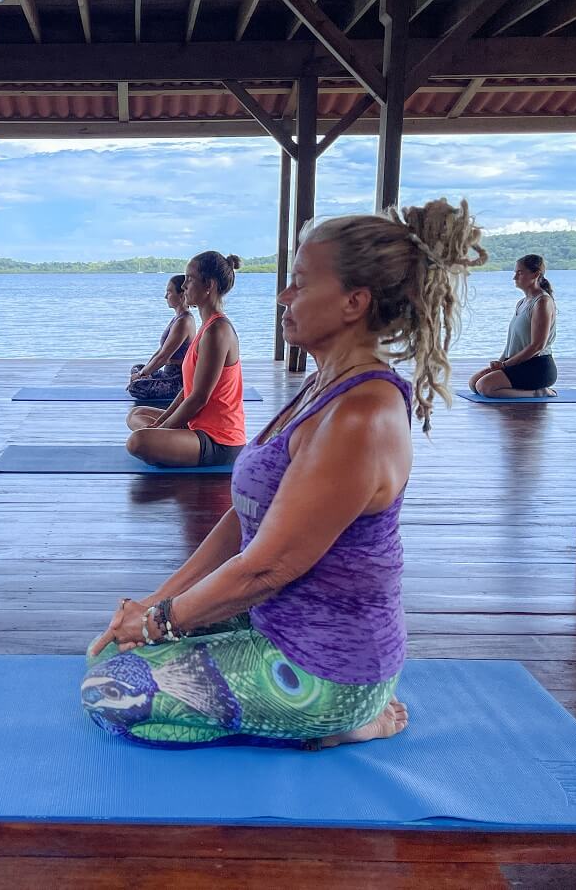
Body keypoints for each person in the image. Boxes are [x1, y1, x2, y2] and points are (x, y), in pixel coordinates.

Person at [83, 198, 486, 749]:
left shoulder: (360, 416)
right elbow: (241, 519)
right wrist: (155, 602)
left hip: (324, 665)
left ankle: (351, 720)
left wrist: (159, 624)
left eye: (299, 282)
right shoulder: (321, 387)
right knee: (114, 649)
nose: (282, 297)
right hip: (273, 621)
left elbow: (265, 569)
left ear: (353, 301)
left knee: (109, 688)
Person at [124, 252, 246, 468]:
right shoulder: (206, 327)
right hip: (196, 427)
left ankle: (169, 445)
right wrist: (163, 423)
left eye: (189, 279)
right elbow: (188, 390)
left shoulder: (217, 331)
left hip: (219, 441)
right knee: (137, 413)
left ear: (208, 284)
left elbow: (198, 398)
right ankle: (170, 443)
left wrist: (162, 430)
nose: (184, 287)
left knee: (138, 441)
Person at [468, 254, 558, 398]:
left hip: (537, 366)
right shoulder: (522, 303)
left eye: (520, 273)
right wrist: (501, 362)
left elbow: (537, 346)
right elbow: (513, 342)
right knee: (474, 383)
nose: (514, 277)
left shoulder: (542, 302)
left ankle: (537, 392)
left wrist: (505, 366)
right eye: (515, 272)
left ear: (535, 274)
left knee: (484, 387)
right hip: (518, 363)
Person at [126, 274, 195, 402]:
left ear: (181, 296)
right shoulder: (177, 318)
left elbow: (164, 356)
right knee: (137, 367)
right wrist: (143, 372)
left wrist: (142, 376)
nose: (165, 297)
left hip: (179, 380)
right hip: (167, 374)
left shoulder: (184, 322)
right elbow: (161, 351)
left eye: (169, 292)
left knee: (136, 386)